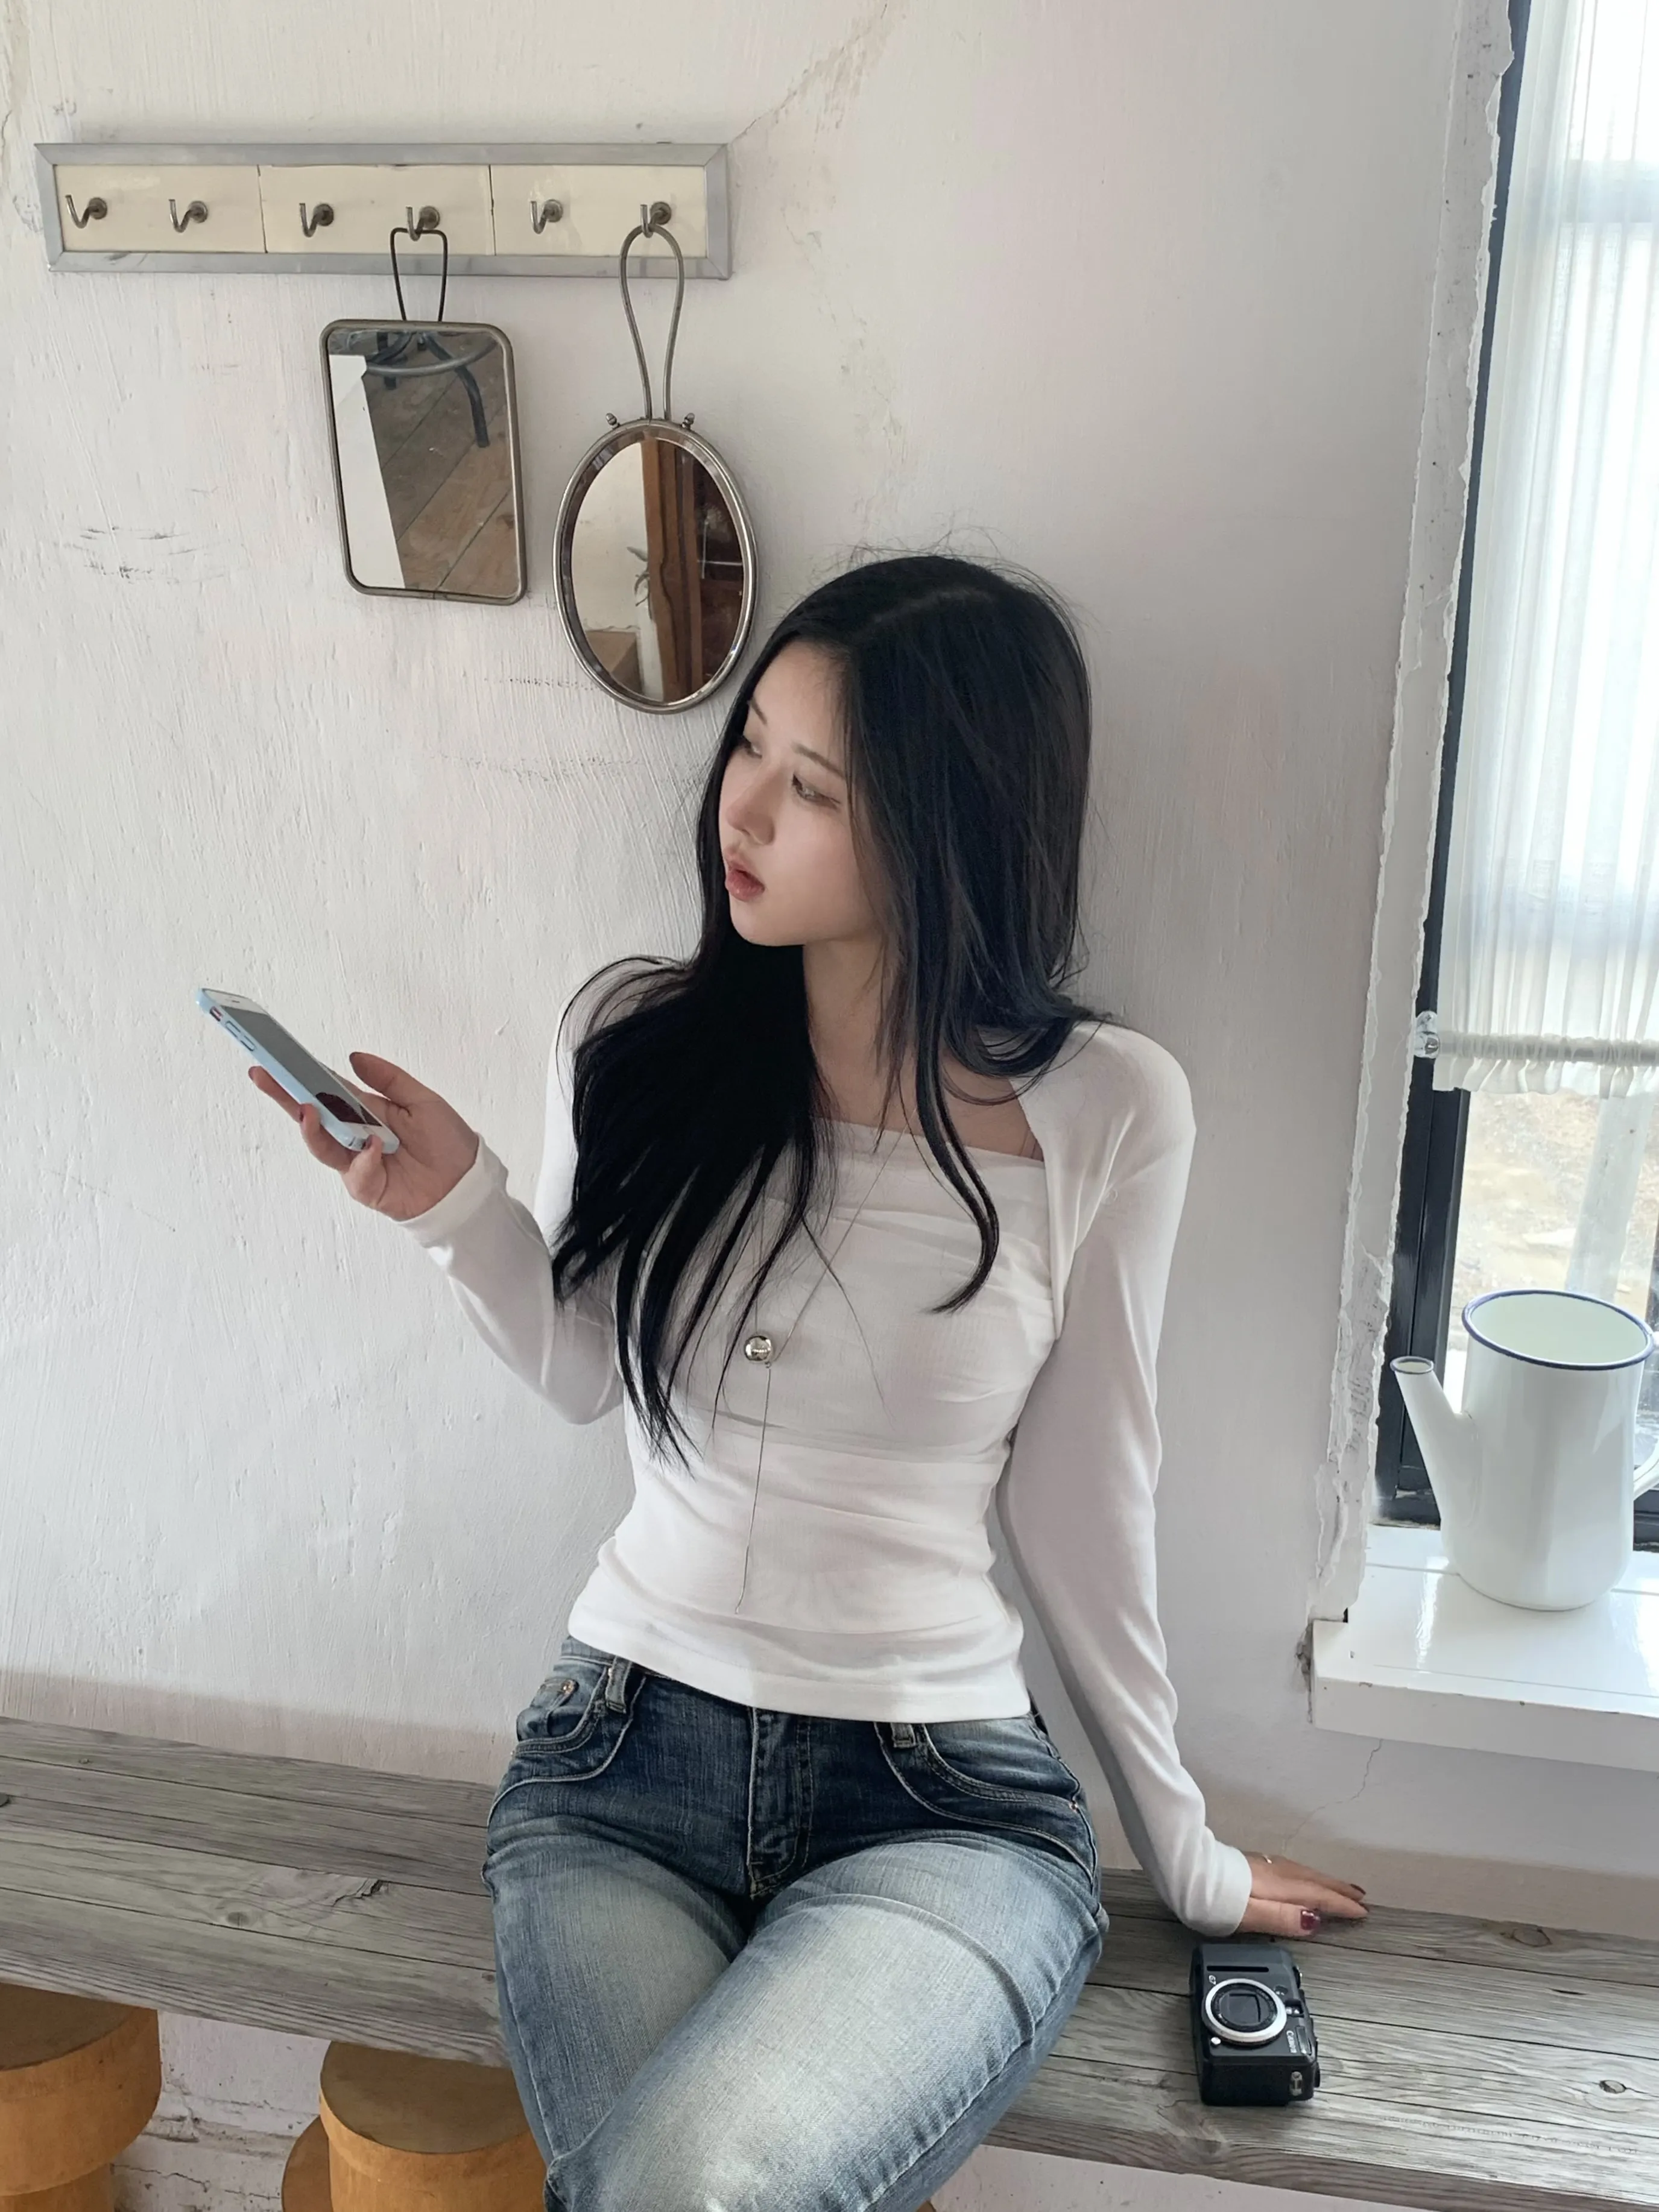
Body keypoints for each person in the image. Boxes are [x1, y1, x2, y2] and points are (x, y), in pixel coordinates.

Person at [252, 553, 1367, 2212]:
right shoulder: (634, 1042)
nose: (745, 809)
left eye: (817, 787)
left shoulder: (1108, 1108)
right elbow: (583, 1373)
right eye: (751, 746)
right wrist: (461, 1213)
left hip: (939, 1803)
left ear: (948, 826)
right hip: (621, 1765)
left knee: (676, 2188)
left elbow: (1086, 1508)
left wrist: (1184, 1852)